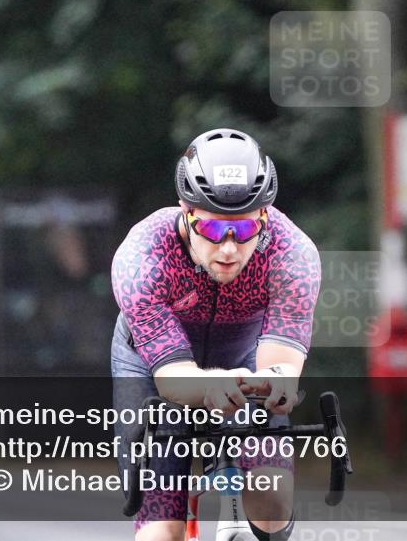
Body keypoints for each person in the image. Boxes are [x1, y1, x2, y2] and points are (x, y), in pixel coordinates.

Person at [111, 128, 321, 541]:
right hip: (152, 365)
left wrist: (277, 383)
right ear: (185, 214)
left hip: (246, 355)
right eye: (211, 229)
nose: (228, 249)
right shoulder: (142, 257)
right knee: (160, 531)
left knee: (272, 498)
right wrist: (209, 385)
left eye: (243, 232)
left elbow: (281, 366)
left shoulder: (292, 254)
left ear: (264, 219)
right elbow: (173, 379)